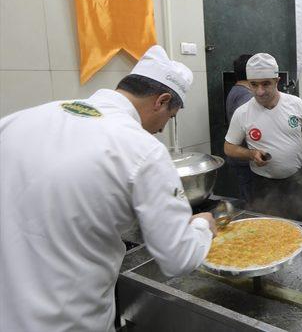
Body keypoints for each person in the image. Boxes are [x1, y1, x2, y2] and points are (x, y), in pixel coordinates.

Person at [0, 46, 216, 331]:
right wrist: (201, 227)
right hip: (71, 320)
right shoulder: (143, 149)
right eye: (170, 116)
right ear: (161, 101)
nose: (163, 129)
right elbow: (179, 258)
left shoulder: (17, 120)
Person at [224, 53, 302, 223]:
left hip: (296, 180)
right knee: (269, 233)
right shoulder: (243, 113)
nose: (260, 91)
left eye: (266, 84)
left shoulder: (295, 104)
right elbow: (228, 147)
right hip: (262, 184)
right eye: (254, 85)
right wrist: (251, 154)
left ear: (277, 81)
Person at [226, 54, 255, 202]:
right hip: (245, 160)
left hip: (240, 160)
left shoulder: (235, 90)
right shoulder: (247, 96)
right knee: (254, 203)